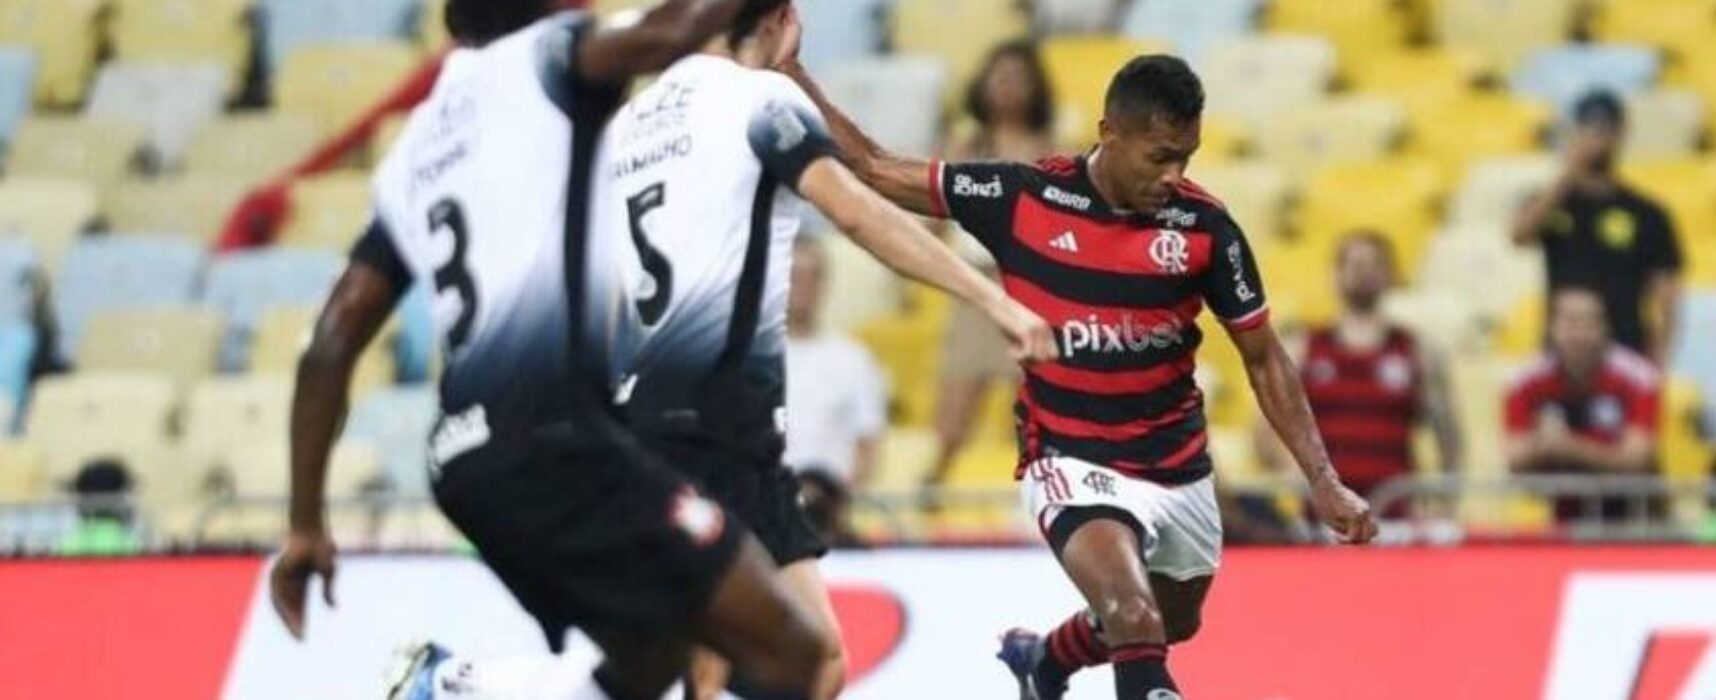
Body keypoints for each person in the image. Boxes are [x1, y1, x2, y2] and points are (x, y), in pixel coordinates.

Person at [268, 3, 844, 700]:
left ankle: (452, 685)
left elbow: (331, 339)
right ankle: (458, 690)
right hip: (560, 440)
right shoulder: (549, 59)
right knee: (795, 653)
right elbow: (673, 31)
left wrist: (304, 525)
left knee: (654, 650)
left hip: (462, 462)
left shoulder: (415, 148)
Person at [776, 33, 1377, 699]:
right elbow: (873, 165)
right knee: (1132, 611)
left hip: (1175, 463)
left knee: (1172, 620)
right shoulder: (1022, 196)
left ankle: (1045, 663)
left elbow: (1263, 358)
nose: (1175, 175)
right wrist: (794, 70)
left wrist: (1323, 480)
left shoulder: (1205, 228)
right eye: (1160, 157)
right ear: (1108, 133)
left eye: (1187, 157)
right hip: (1069, 455)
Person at [591, 5, 1057, 697]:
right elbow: (857, 210)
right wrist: (995, 301)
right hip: (711, 416)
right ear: (781, 19)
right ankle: (463, 684)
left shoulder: (630, 125)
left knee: (818, 663)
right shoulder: (757, 96)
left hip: (683, 414)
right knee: (708, 660)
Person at [924, 39, 1057, 496]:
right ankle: (930, 495)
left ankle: (1046, 498)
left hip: (1033, 287)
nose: (1005, 86)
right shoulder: (964, 145)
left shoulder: (1052, 149)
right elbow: (930, 220)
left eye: (1016, 76)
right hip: (975, 285)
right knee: (955, 414)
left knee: (1042, 411)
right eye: (997, 75)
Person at [1261, 232, 1463, 517]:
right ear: (1336, 275)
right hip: (1325, 519)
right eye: (1355, 265)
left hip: (1395, 515)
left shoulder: (1417, 351)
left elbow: (1448, 436)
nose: (1364, 273)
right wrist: (1293, 471)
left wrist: (1444, 504)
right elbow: (1265, 431)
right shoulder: (1303, 350)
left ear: (1391, 275)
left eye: (1374, 265)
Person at [1511, 90, 1684, 365]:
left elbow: (1667, 296)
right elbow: (1519, 236)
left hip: (1625, 353)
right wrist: (1569, 172)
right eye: (1588, 129)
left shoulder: (1648, 213)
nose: (1597, 139)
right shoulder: (1552, 202)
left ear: (1621, 135)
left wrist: (1659, 359)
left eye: (1606, 130)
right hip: (1561, 355)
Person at [1506, 286, 1663, 524]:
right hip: (1562, 519)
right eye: (1569, 323)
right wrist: (1544, 447)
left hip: (1635, 518)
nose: (1578, 335)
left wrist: (1568, 446)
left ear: (1605, 327)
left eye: (1588, 323)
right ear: (1551, 327)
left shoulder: (1639, 377)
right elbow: (1515, 458)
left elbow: (1636, 458)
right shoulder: (1524, 381)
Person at [781, 237, 888, 490]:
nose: (804, 287)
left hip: (827, 510)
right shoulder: (749, 357)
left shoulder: (855, 360)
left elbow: (868, 444)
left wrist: (838, 499)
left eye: (814, 276)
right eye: (795, 276)